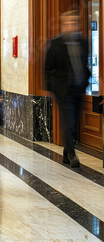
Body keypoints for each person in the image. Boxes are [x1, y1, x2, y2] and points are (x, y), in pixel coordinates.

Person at [45, 10, 91, 168]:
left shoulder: (83, 42)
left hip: (79, 88)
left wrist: (86, 81)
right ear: (63, 25)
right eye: (69, 23)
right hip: (63, 90)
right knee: (68, 124)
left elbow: (86, 64)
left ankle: (66, 153)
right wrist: (52, 88)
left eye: (75, 22)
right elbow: (47, 68)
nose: (72, 25)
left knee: (75, 124)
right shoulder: (56, 43)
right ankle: (72, 155)